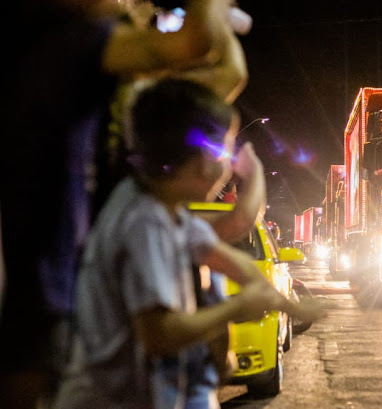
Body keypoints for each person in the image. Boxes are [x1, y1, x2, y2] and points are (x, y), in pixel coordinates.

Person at [1, 1, 252, 408]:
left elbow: (223, 72)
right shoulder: (64, 41)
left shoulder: (128, 98)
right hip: (44, 287)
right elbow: (198, 48)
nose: (141, 9)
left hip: (60, 286)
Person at [53, 78, 323, 409]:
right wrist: (238, 307)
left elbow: (230, 249)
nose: (227, 164)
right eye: (223, 150)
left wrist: (289, 306)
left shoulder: (169, 212)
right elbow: (159, 334)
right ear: (202, 162)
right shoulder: (145, 221)